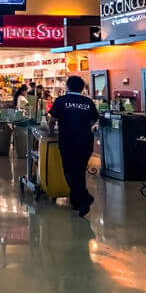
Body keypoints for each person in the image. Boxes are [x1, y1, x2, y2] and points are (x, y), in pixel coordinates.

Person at [48, 75, 99, 217]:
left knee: (69, 171)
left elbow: (52, 120)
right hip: (86, 141)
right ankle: (76, 202)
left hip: (68, 140)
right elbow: (94, 119)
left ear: (67, 86)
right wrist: (82, 128)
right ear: (82, 88)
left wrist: (52, 132)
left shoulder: (62, 101)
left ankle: (84, 198)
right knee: (80, 171)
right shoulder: (88, 102)